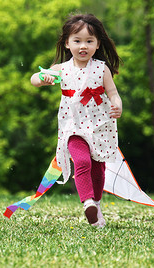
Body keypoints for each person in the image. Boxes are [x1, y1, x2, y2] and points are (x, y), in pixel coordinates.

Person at [31, 14, 122, 227]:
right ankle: (88, 202)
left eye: (89, 41)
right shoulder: (62, 69)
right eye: (77, 41)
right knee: (82, 162)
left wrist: (118, 105)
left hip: (100, 126)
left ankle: (97, 204)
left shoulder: (102, 69)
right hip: (73, 126)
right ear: (67, 43)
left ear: (98, 44)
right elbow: (34, 79)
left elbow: (113, 93)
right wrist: (42, 78)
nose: (83, 46)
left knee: (98, 169)